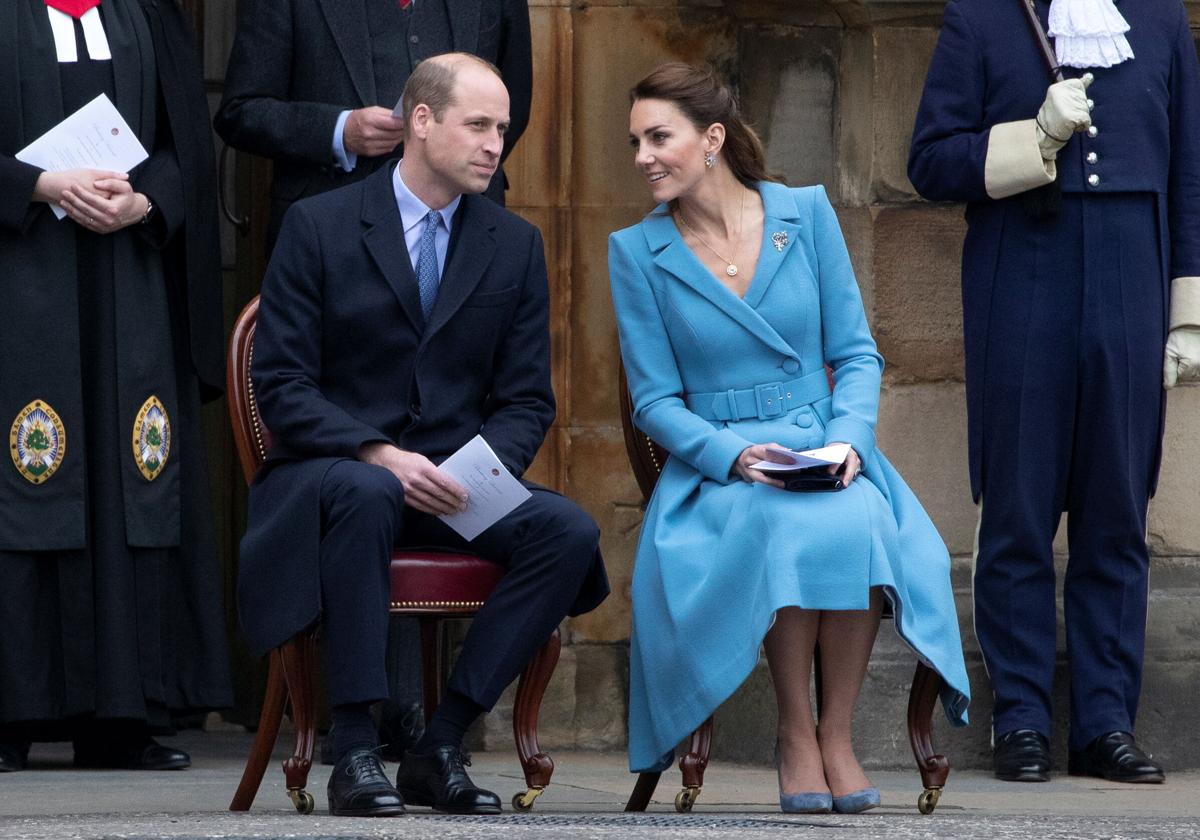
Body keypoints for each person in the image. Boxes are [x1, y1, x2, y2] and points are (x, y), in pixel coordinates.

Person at [239, 53, 608, 817]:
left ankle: (441, 743)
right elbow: (281, 387)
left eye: (502, 129)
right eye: (478, 125)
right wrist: (377, 451)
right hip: (332, 475)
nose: (493, 144)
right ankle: (356, 747)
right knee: (371, 489)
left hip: (453, 484)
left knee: (566, 531)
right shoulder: (319, 226)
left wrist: (474, 473)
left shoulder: (514, 245)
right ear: (421, 121)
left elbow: (525, 401)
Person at [609, 63, 970, 814]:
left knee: (858, 515)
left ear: (711, 139)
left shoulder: (805, 214)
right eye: (635, 140)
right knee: (779, 520)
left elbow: (857, 353)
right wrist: (733, 455)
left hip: (821, 444)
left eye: (658, 137)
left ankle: (837, 734)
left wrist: (848, 444)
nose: (642, 155)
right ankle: (796, 733)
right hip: (719, 472)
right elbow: (653, 401)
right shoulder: (635, 252)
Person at [908, 0, 1200, 784]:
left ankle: (1105, 725)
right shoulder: (981, 20)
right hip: (1021, 278)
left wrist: (1188, 309)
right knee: (1018, 509)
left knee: (1116, 512)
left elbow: (1190, 176)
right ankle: (1024, 719)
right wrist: (1032, 137)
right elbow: (929, 161)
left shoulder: (1162, 20)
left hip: (1131, 278)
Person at [0, 0, 231, 772]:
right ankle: (11, 713)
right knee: (27, 475)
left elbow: (187, 144)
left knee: (130, 479)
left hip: (127, 279)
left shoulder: (145, 14)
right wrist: (40, 184)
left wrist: (145, 200)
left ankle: (123, 715)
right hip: (18, 283)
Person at [214, 0, 532, 252]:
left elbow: (512, 103)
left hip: (468, 226)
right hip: (333, 233)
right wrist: (340, 131)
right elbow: (241, 111)